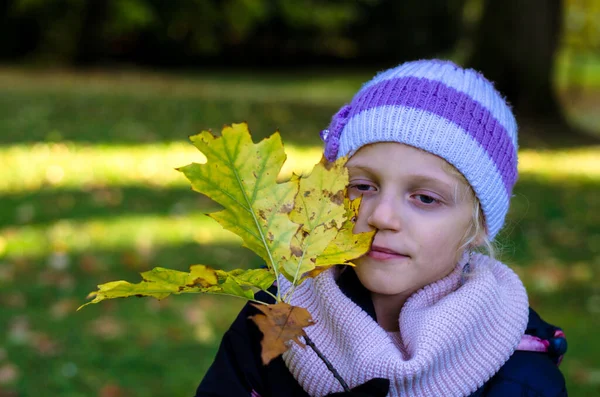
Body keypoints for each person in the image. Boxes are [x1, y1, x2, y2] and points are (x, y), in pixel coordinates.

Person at [195, 59, 568, 397]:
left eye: (424, 198)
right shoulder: (277, 314)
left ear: (478, 227)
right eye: (362, 186)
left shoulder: (520, 376)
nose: (381, 216)